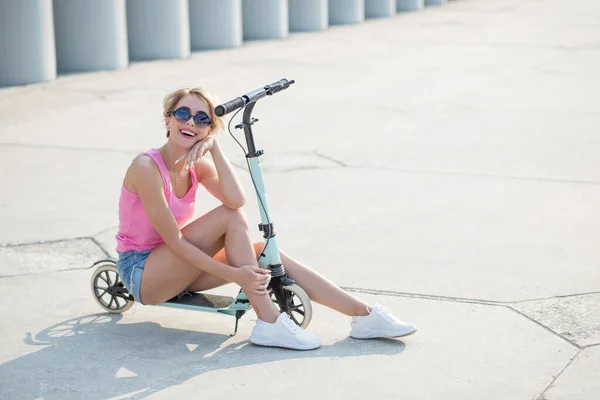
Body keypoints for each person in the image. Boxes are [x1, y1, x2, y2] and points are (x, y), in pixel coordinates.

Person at [115, 87, 417, 350]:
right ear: (167, 119)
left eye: (203, 119)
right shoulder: (145, 167)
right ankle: (269, 321)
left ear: (209, 129)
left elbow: (237, 199)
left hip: (180, 269)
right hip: (143, 274)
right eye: (183, 114)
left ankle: (363, 315)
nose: (191, 122)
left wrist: (216, 148)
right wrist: (235, 275)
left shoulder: (198, 165)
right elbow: (175, 241)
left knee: (262, 251)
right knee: (228, 219)